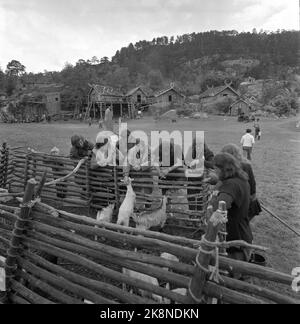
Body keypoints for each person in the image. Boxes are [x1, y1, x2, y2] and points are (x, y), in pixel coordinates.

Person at [211, 153, 253, 266]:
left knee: (232, 274)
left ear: (223, 169)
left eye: (216, 169)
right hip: (243, 233)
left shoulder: (230, 185)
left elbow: (220, 206)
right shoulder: (241, 179)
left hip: (234, 240)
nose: (215, 172)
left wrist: (214, 200)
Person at [221, 144, 262, 221]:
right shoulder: (245, 165)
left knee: (241, 224)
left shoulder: (244, 166)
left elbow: (252, 184)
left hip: (244, 203)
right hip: (243, 200)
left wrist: (250, 198)